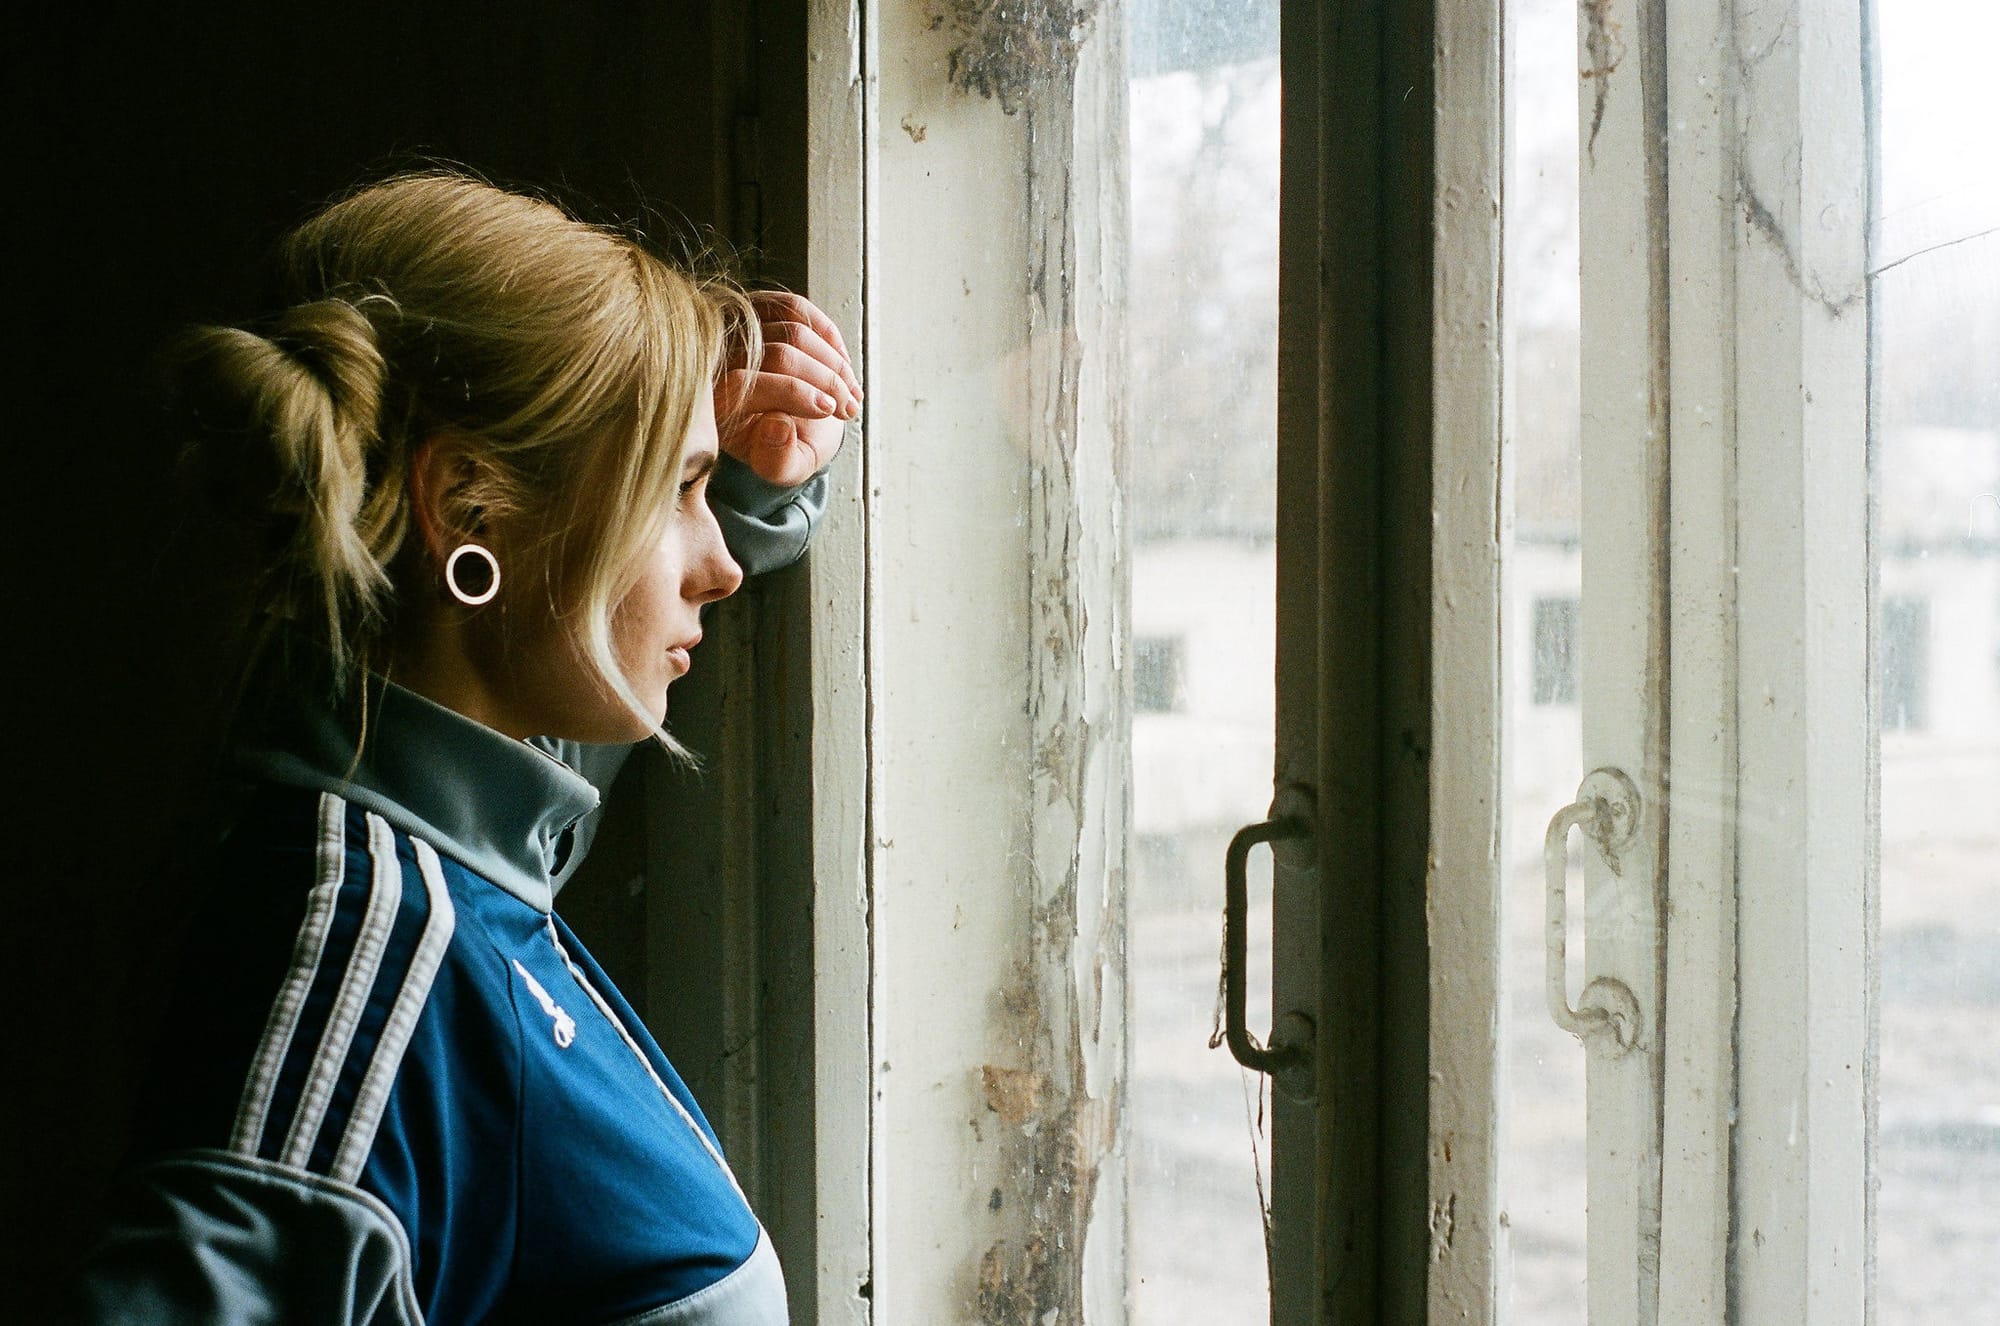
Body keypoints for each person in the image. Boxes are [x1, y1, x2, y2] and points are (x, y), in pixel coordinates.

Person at [67, 172, 858, 1325]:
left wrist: (729, 478)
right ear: (471, 510)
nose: (720, 567)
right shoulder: (362, 955)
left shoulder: (402, 815)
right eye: (678, 492)